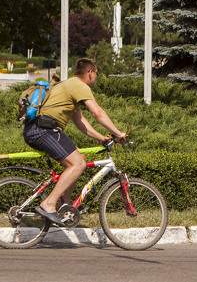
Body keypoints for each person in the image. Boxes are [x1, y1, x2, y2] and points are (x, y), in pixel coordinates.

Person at [22, 57, 128, 226]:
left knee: (79, 161)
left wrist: (102, 138)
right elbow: (97, 113)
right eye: (97, 73)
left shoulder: (68, 85)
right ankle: (49, 203)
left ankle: (64, 206)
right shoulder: (79, 86)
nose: (97, 77)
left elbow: (80, 122)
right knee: (78, 164)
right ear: (90, 72)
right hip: (44, 129)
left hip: (38, 128)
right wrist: (118, 133)